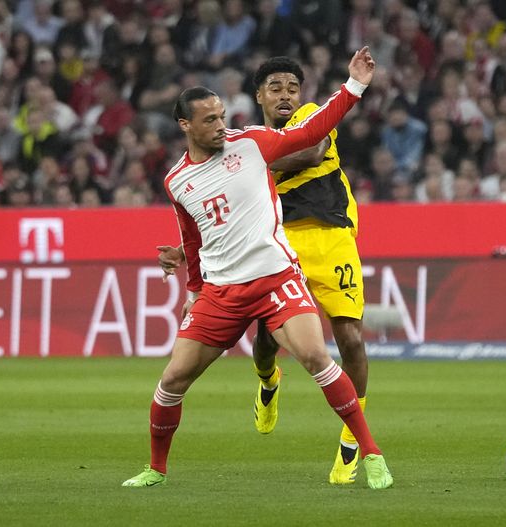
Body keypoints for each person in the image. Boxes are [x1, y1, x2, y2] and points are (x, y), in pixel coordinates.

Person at [122, 47, 393, 490]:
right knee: (173, 378)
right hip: (222, 290)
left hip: (276, 275)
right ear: (185, 126)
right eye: (209, 119)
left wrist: (355, 85)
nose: (220, 125)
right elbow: (196, 235)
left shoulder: (249, 144)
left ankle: (369, 453)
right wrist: (192, 287)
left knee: (320, 354)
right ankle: (156, 468)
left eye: (221, 115)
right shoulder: (177, 180)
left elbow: (312, 135)